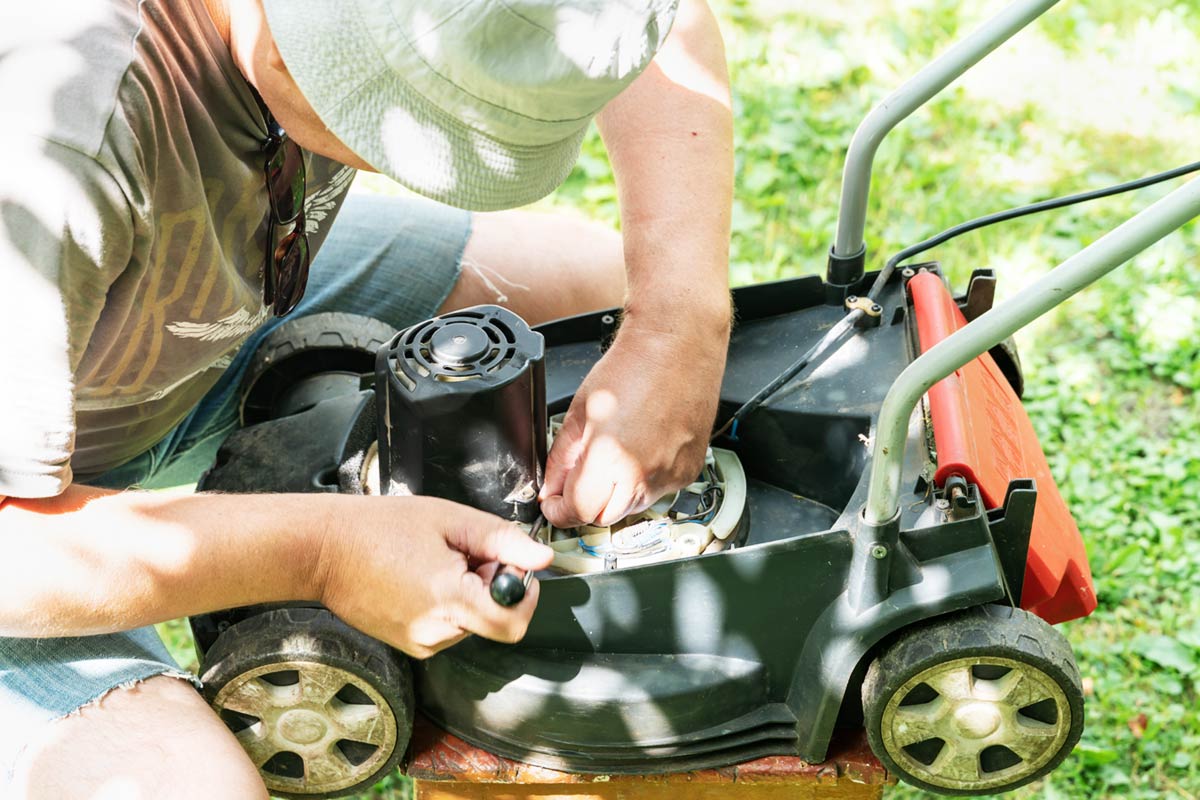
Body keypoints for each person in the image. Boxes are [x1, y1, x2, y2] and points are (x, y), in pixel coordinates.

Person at [0, 0, 732, 794]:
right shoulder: (46, 140)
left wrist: (676, 322)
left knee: (595, 291)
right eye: (390, 118)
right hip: (26, 523)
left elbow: (655, 25)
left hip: (174, 302)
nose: (395, 167)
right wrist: (324, 552)